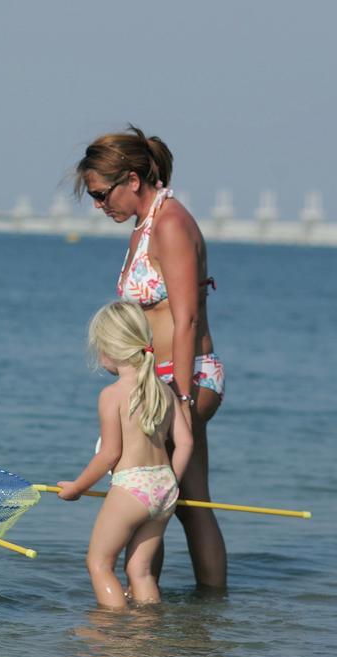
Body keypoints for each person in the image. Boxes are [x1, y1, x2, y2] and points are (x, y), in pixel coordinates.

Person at [73, 125, 228, 588]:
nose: (100, 206)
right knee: (184, 497)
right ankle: (183, 616)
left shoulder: (172, 224)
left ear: (133, 181)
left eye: (102, 195)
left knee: (144, 486)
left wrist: (180, 396)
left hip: (187, 377)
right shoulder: (144, 226)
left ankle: (149, 607)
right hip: (154, 378)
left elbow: (186, 320)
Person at [58, 302, 193, 609]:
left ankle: (116, 634)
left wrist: (77, 489)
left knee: (99, 564)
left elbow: (109, 454)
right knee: (140, 570)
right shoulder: (165, 390)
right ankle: (146, 635)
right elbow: (185, 443)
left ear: (110, 350)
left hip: (131, 488)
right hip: (164, 489)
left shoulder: (112, 395)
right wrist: (172, 483)